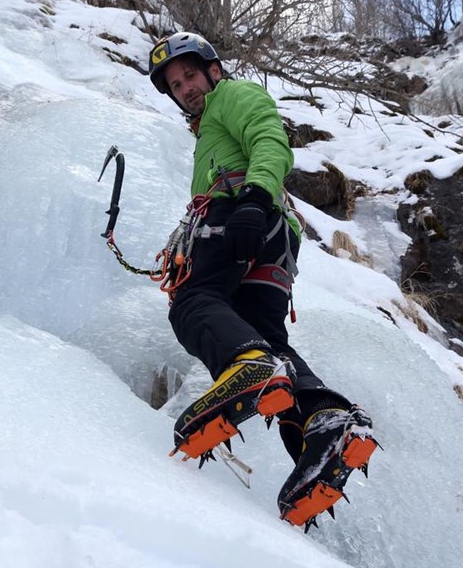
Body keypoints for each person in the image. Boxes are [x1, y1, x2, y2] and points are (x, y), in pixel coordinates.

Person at [148, 31, 377, 529]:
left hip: (241, 214)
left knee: (193, 302)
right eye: (175, 84)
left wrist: (253, 198)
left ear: (212, 70)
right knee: (268, 337)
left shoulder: (233, 96)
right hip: (273, 240)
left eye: (189, 75)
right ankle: (325, 424)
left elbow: (270, 138)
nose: (185, 87)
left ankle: (247, 364)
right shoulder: (208, 126)